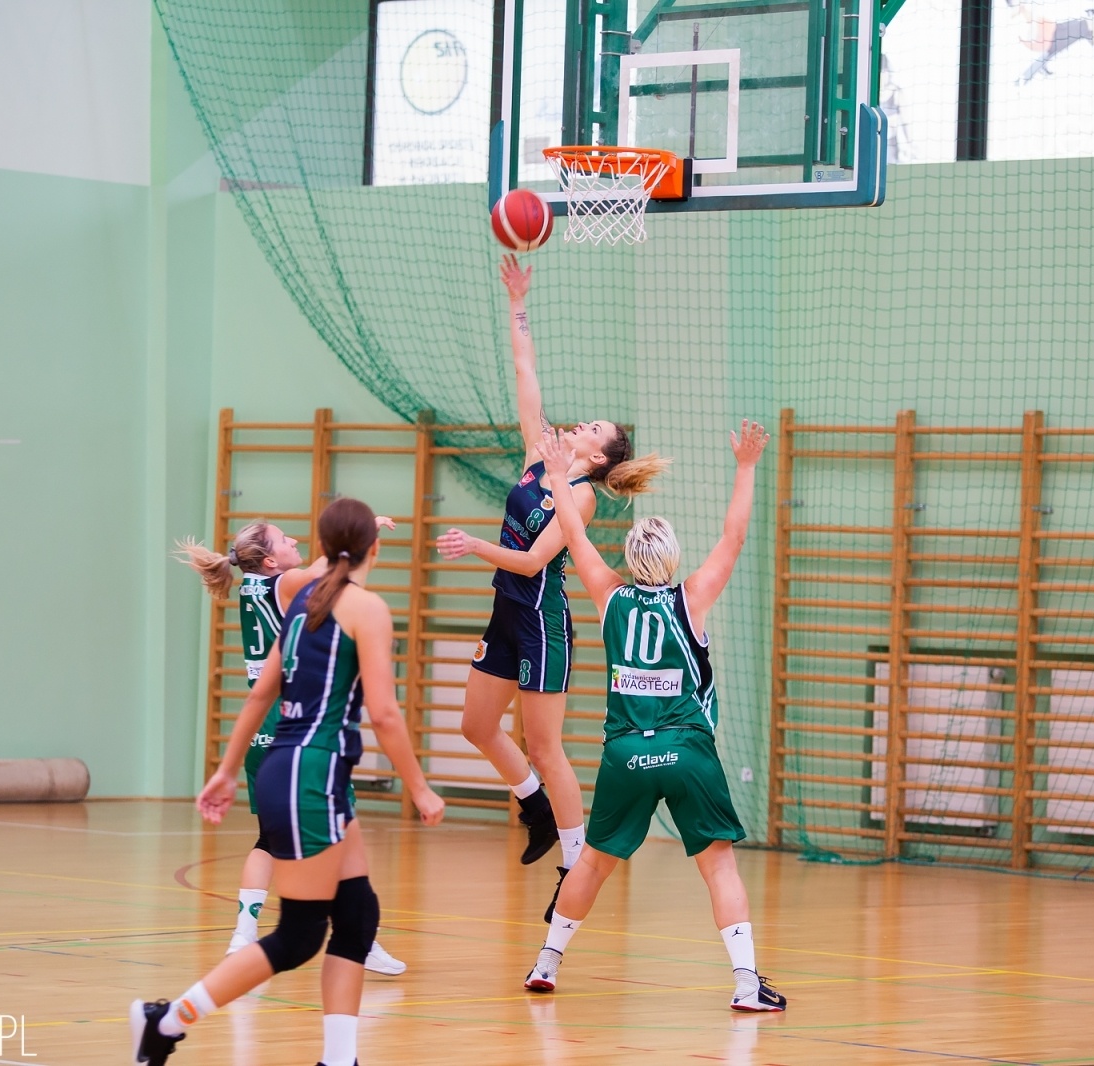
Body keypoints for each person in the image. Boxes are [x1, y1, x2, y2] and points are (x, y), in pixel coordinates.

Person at [133, 497, 446, 1066]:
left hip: (288, 764)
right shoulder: (366, 608)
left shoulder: (302, 600)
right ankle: (167, 1021)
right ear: (374, 549)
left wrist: (228, 770)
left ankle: (339, 1058)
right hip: (311, 771)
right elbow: (385, 714)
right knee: (301, 935)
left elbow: (259, 693)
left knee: (356, 917)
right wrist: (419, 786)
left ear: (323, 551)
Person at [520, 424, 787, 1013]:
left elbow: (570, 530)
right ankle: (746, 984)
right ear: (672, 558)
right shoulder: (692, 597)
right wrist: (745, 466)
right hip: (686, 750)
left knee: (593, 861)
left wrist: (563, 475)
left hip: (625, 754)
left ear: (628, 557)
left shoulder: (608, 594)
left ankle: (546, 963)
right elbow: (735, 536)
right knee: (718, 867)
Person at [436, 254, 668, 919]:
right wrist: (518, 301)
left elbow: (535, 562)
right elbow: (525, 373)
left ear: (598, 458)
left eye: (592, 429)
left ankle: (574, 862)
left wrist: (478, 545)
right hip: (507, 618)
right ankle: (535, 806)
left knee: (546, 745)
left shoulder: (583, 499)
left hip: (543, 624)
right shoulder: (540, 458)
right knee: (477, 725)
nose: (578, 424)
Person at [177, 516, 406, 974]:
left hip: (266, 736)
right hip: (301, 731)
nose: (295, 540)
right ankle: (363, 939)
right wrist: (360, 530)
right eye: (285, 539)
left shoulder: (249, 589)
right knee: (342, 836)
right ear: (268, 560)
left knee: (268, 839)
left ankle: (243, 933)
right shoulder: (284, 584)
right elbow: (330, 566)